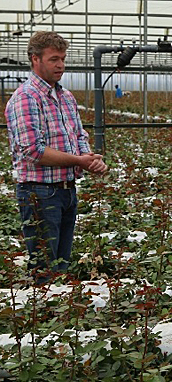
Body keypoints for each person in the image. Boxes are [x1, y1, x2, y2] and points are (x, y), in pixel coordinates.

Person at [5, 31, 107, 281]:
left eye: (62, 58)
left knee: (61, 267)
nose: (60, 65)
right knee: (45, 270)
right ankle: (43, 315)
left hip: (66, 191)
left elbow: (78, 135)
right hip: (39, 192)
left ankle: (59, 312)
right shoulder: (26, 98)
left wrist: (90, 158)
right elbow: (33, 151)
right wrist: (78, 161)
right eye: (53, 59)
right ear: (35, 59)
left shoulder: (65, 96)